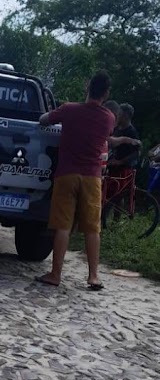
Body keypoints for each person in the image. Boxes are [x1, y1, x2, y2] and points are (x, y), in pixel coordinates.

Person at [36, 71, 140, 291]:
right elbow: (106, 138)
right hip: (92, 177)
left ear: (88, 87)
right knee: (93, 228)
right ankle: (93, 276)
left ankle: (55, 274)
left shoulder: (69, 109)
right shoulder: (109, 118)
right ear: (106, 93)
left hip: (66, 173)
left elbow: (44, 120)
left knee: (63, 225)